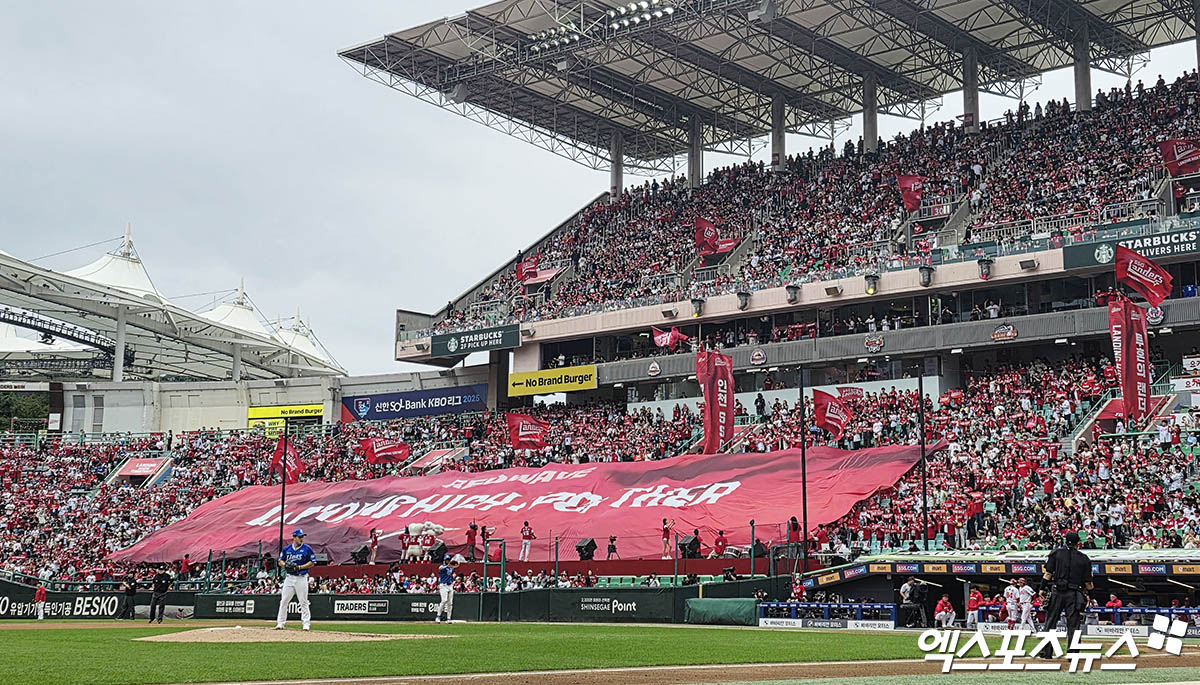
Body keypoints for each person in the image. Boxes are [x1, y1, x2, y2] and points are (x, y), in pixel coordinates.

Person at [1035, 532, 1093, 658]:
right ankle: (1073, 653)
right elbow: (1088, 583)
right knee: (1073, 625)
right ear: (1079, 543)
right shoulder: (1084, 558)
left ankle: (1046, 652)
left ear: (1065, 541)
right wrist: (1091, 596)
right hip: (1074, 592)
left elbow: (1048, 574)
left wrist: (1042, 589)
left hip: (1057, 592)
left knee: (1050, 622)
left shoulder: (1056, 553)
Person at [275, 529, 316, 631]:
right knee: (284, 601)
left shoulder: (307, 549)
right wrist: (285, 565)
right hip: (289, 578)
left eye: (302, 537)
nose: (302, 539)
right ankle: (280, 623)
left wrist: (299, 567)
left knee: (303, 602)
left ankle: (306, 624)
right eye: (300, 537)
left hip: (301, 577)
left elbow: (312, 562)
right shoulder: (287, 549)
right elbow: (280, 561)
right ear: (294, 537)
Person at [436, 554, 462, 623]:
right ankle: (438, 616)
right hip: (443, 585)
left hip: (450, 585)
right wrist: (448, 565)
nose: (448, 561)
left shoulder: (451, 568)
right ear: (445, 561)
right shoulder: (443, 566)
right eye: (446, 560)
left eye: (448, 560)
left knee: (450, 603)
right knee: (444, 600)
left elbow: (455, 566)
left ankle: (448, 618)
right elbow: (440, 568)